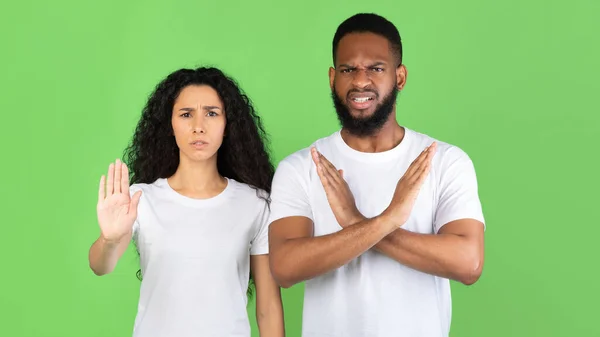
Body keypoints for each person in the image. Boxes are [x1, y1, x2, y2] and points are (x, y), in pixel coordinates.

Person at [267, 13, 485, 337]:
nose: (360, 81)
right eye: (348, 69)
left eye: (375, 68)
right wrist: (387, 219)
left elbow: (468, 263)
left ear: (400, 77)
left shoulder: (444, 161)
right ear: (332, 77)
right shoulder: (301, 167)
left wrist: (356, 222)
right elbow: (285, 268)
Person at [88, 67, 285, 337]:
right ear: (170, 125)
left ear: (228, 126)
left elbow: (268, 307)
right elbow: (100, 266)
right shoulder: (141, 198)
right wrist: (109, 239)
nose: (198, 126)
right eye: (186, 114)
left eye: (212, 113)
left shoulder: (254, 203)